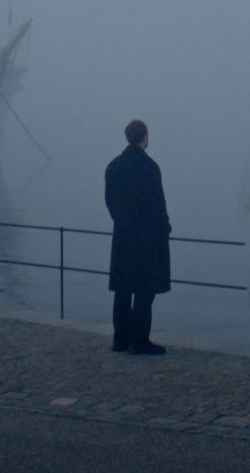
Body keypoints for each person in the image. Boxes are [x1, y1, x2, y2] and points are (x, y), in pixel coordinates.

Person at [105, 118, 171, 355]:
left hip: (123, 236)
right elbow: (157, 205)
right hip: (146, 238)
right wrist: (164, 229)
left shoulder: (113, 166)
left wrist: (122, 222)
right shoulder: (150, 167)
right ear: (144, 137)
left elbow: (110, 203)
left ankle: (120, 339)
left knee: (123, 289)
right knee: (145, 289)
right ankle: (139, 340)